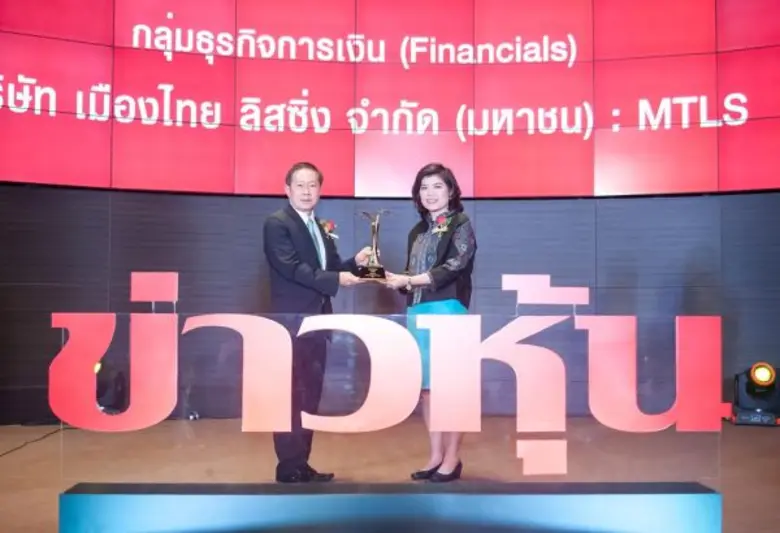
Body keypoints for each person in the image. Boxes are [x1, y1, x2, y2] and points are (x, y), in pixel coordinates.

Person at [263, 161, 372, 483]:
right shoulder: (277, 223)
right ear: (287, 189)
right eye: (300, 185)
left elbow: (332, 267)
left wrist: (357, 263)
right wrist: (336, 279)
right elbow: (291, 267)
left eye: (313, 185)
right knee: (290, 396)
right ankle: (287, 466)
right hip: (293, 322)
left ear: (320, 190)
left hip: (318, 321)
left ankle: (302, 462)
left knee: (310, 395)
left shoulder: (319, 227)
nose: (307, 191)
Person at [383, 162, 477, 483]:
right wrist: (394, 279)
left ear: (451, 191)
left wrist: (411, 280)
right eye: (424, 187)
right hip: (418, 311)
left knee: (452, 389)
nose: (430, 193)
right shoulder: (417, 231)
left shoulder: (460, 224)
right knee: (427, 390)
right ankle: (435, 455)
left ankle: (452, 458)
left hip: (448, 309)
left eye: (437, 186)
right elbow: (411, 275)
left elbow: (455, 265)